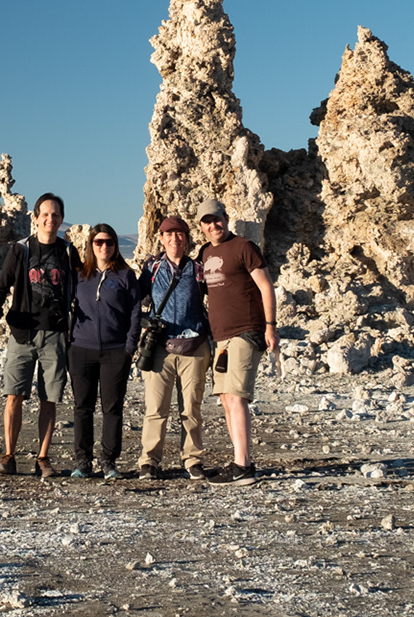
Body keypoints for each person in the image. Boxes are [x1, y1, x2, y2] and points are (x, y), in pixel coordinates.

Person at [0, 193, 80, 477]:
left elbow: (78, 289)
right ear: (36, 218)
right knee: (14, 395)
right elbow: (4, 283)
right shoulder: (21, 250)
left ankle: (43, 458)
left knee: (49, 398)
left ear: (61, 220)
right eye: (46, 215)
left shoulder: (67, 252)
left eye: (56, 215)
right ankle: (8, 455)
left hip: (55, 334)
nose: (51, 219)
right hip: (22, 333)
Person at [194, 197, 277, 484]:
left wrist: (270, 327)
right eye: (207, 221)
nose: (213, 225)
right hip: (221, 337)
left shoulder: (244, 247)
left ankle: (244, 466)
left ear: (226, 219)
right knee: (227, 398)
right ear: (201, 227)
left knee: (238, 397)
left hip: (246, 331)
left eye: (217, 219)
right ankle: (238, 461)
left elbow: (266, 286)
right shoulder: (204, 254)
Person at [136, 214, 211, 481]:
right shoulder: (152, 268)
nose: (174, 239)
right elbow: (135, 297)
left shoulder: (198, 269)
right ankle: (149, 461)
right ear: (160, 238)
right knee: (156, 408)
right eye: (169, 234)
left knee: (191, 408)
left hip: (194, 345)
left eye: (179, 234)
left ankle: (192, 460)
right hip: (161, 347)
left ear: (187, 239)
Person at [67, 224, 142, 480]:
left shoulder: (125, 275)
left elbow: (135, 312)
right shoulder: (78, 275)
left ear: (115, 246)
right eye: (98, 242)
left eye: (109, 242)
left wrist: (130, 347)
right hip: (81, 350)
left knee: (112, 408)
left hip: (115, 351)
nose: (104, 247)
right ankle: (83, 462)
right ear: (90, 245)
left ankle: (109, 461)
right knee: (82, 407)